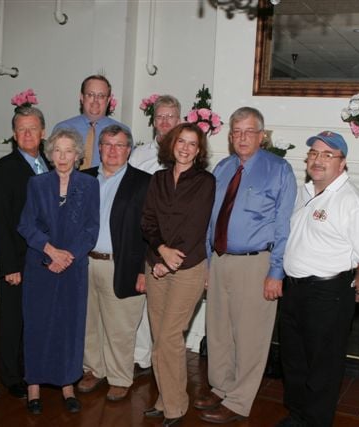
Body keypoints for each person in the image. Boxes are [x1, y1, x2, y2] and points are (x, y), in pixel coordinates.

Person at [197, 107, 297, 424]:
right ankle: (221, 387)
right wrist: (207, 262)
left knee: (250, 336)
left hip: (256, 264)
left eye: (249, 131)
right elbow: (210, 220)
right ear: (230, 136)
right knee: (218, 332)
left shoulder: (279, 170)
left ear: (261, 136)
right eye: (236, 132)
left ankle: (239, 401)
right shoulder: (223, 168)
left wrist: (276, 272)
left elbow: (284, 227)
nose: (242, 138)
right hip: (220, 260)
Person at [278, 131, 359, 427]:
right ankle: (297, 418)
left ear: (342, 163)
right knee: (294, 361)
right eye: (313, 153)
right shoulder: (304, 192)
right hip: (294, 290)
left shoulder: (352, 203)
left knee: (322, 368)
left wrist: (357, 287)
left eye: (327, 154)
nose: (318, 160)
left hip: (328, 294)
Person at [17, 128, 99, 415]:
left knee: (69, 327)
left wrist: (68, 256)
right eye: (57, 150)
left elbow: (91, 229)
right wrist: (51, 252)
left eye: (69, 151)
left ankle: (67, 385)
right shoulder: (36, 183)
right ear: (50, 155)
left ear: (77, 155)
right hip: (41, 265)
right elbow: (26, 225)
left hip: (73, 268)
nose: (63, 156)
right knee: (37, 324)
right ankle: (33, 387)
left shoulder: (90, 184)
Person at [141, 122, 215, 427]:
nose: (185, 148)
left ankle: (175, 407)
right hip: (156, 264)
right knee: (160, 337)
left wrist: (170, 259)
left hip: (187, 267)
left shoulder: (205, 182)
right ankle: (164, 400)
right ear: (171, 145)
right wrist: (160, 252)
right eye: (181, 141)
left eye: (192, 144)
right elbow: (147, 220)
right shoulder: (157, 179)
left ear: (199, 151)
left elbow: (195, 227)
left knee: (170, 337)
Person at [78, 125, 150, 402]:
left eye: (119, 145)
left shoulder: (143, 182)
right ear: (99, 148)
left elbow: (152, 231)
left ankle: (120, 377)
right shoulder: (83, 178)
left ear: (128, 150)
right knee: (88, 323)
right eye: (107, 144)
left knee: (121, 327)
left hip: (122, 266)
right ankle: (93, 370)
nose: (112, 150)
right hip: (84, 263)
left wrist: (144, 270)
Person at [0, 106, 51, 399]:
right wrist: (8, 266)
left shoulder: (50, 164)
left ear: (43, 132)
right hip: (17, 261)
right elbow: (0, 221)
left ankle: (33, 370)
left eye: (33, 128)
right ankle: (12, 376)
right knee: (13, 321)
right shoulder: (4, 169)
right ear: (14, 135)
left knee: (37, 319)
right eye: (21, 129)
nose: (27, 134)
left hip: (45, 260)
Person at [129, 94, 181, 377]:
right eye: (159, 116)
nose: (164, 122)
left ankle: (162, 360)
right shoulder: (139, 155)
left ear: (179, 120)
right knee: (141, 293)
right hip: (143, 233)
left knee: (167, 304)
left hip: (174, 238)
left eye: (170, 116)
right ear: (153, 121)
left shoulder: (186, 152)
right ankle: (140, 357)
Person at [52, 74, 130, 169]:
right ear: (82, 97)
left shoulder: (122, 133)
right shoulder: (63, 129)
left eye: (101, 96)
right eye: (90, 95)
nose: (95, 101)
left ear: (108, 100)